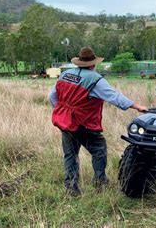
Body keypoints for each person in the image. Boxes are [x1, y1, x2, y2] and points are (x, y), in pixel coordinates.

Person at [49, 47, 148, 196]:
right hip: (82, 123)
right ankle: (100, 181)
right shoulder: (95, 79)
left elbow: (52, 96)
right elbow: (114, 97)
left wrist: (62, 111)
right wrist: (137, 106)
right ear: (93, 64)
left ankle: (71, 188)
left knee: (70, 154)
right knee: (99, 149)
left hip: (64, 121)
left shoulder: (65, 74)